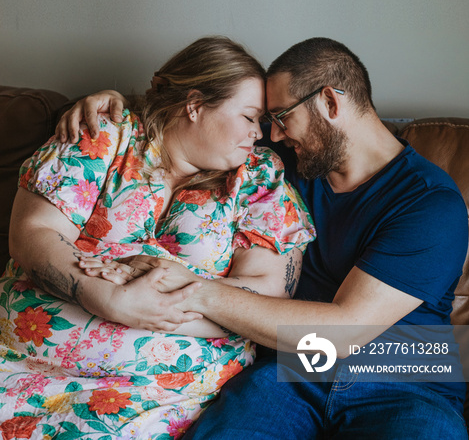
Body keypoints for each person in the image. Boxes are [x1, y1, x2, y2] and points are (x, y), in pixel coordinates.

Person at [61, 37, 469, 439]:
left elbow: (344, 331)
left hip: (407, 385)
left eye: (282, 116)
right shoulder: (284, 165)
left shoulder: (431, 203)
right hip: (289, 375)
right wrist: (113, 104)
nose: (271, 134)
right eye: (265, 120)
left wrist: (195, 291)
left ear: (330, 102)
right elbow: (194, 121)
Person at [0, 36, 315, 440]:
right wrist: (108, 297)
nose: (261, 134)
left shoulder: (257, 178)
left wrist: (154, 285)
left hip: (157, 391)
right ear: (195, 105)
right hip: (23, 364)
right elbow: (33, 234)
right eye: (250, 117)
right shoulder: (105, 133)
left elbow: (269, 296)